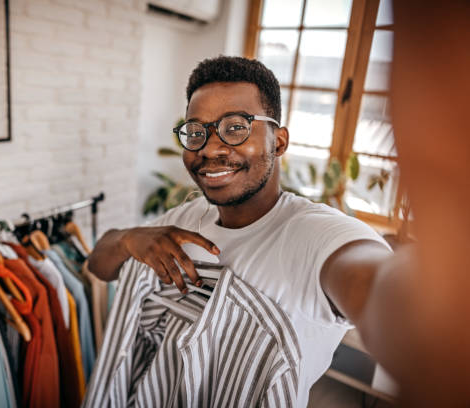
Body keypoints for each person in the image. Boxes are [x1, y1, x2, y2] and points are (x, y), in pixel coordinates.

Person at [88, 56, 394, 406]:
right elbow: (98, 264)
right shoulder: (188, 217)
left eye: (235, 127)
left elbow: (379, 290)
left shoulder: (315, 236)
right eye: (196, 131)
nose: (209, 148)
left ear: (278, 142)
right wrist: (130, 239)